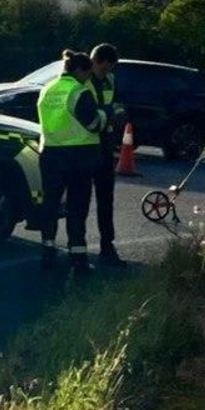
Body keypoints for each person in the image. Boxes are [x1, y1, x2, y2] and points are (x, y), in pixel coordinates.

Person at [36, 50, 107, 273]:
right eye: (87, 74)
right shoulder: (78, 91)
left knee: (51, 204)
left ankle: (47, 251)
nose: (88, 78)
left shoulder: (47, 89)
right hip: (78, 157)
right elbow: (94, 124)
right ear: (79, 71)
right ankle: (78, 258)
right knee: (77, 207)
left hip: (50, 153)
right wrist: (106, 116)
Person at [89, 43, 128, 268]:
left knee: (106, 200)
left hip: (104, 146)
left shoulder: (110, 80)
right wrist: (107, 115)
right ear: (97, 61)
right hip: (85, 147)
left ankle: (107, 246)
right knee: (79, 202)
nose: (106, 72)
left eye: (110, 68)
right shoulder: (82, 81)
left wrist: (119, 115)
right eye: (104, 68)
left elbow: (117, 104)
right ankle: (78, 251)